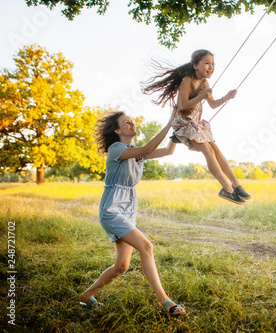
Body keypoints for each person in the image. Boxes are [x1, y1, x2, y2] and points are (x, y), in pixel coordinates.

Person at [79, 110, 185, 316]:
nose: (131, 124)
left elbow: (167, 151)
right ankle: (165, 302)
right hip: (112, 208)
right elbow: (148, 148)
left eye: (132, 121)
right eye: (126, 122)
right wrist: (170, 121)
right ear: (117, 130)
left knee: (121, 266)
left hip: (128, 207)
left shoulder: (137, 150)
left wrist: (176, 131)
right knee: (146, 247)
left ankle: (87, 295)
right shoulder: (116, 149)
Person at [142, 49, 251, 205]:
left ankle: (236, 185)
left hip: (196, 123)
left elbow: (212, 104)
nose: (211, 67)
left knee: (214, 149)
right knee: (207, 150)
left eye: (213, 64)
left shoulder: (205, 83)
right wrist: (201, 96)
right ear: (195, 65)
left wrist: (226, 97)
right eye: (206, 63)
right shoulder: (187, 80)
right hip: (184, 122)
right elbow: (183, 105)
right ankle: (227, 189)